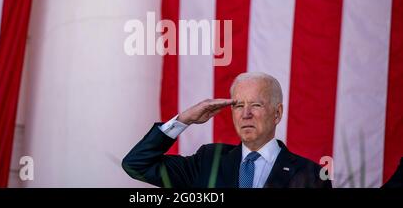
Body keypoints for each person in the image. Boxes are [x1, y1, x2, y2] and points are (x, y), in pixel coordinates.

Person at [122, 72, 332, 188]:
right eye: (238, 105)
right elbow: (136, 164)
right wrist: (184, 119)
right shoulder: (208, 160)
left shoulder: (312, 175)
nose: (245, 114)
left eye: (256, 105)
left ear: (277, 113)